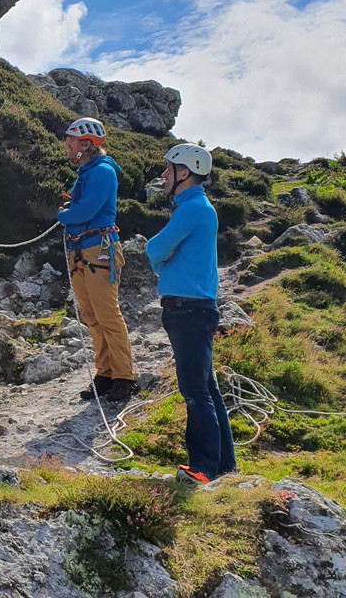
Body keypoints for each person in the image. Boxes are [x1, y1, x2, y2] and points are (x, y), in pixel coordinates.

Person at [146, 143, 235, 484]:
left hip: (189, 310)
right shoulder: (196, 207)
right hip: (193, 310)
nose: (164, 175)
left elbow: (156, 248)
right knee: (206, 388)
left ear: (185, 173)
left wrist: (159, 262)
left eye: (169, 169)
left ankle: (203, 469)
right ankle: (224, 466)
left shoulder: (192, 208)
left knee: (195, 391)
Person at [58, 117, 137, 403]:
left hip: (97, 249)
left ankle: (124, 377)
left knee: (107, 315)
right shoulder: (87, 171)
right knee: (92, 316)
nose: (67, 144)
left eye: (72, 140)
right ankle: (105, 373)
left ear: (86, 144)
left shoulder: (102, 172)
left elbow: (85, 211)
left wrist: (64, 215)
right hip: (84, 251)